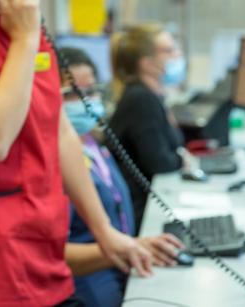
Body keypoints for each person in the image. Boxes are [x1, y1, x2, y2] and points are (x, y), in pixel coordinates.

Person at [0, 1, 154, 306]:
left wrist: (103, 230)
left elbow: (61, 132)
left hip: (46, 250)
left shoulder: (22, 20)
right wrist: (25, 40)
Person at [58, 47, 185, 307]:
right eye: (72, 93)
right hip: (86, 290)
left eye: (91, 90)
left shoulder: (95, 146)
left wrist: (134, 245)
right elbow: (50, 254)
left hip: (120, 274)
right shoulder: (51, 163)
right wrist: (124, 249)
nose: (85, 100)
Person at [108, 23, 189, 232]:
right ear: (146, 62)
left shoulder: (150, 94)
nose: (177, 55)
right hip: (139, 214)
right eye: (169, 50)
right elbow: (160, 162)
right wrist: (183, 160)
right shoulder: (141, 100)